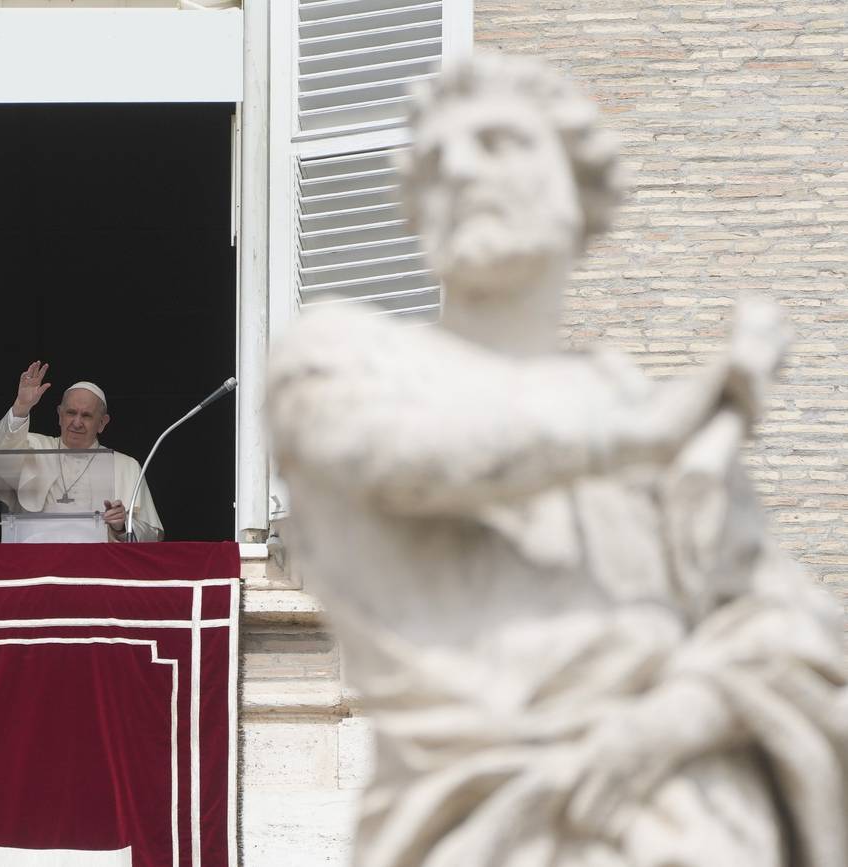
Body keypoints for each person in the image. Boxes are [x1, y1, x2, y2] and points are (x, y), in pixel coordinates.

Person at [269, 54, 846, 867]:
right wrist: (644, 433)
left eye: (500, 143)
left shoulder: (633, 403)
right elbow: (395, 457)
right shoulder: (344, 359)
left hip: (698, 816)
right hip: (482, 824)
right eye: (435, 162)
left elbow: (786, 623)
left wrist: (677, 716)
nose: (461, 170)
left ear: (578, 194)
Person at [0, 361, 162, 542]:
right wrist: (21, 407)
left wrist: (122, 526)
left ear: (102, 423)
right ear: (59, 415)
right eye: (70, 413)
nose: (76, 423)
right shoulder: (32, 446)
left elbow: (153, 537)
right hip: (37, 563)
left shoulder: (126, 466)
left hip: (97, 566)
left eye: (86, 416)